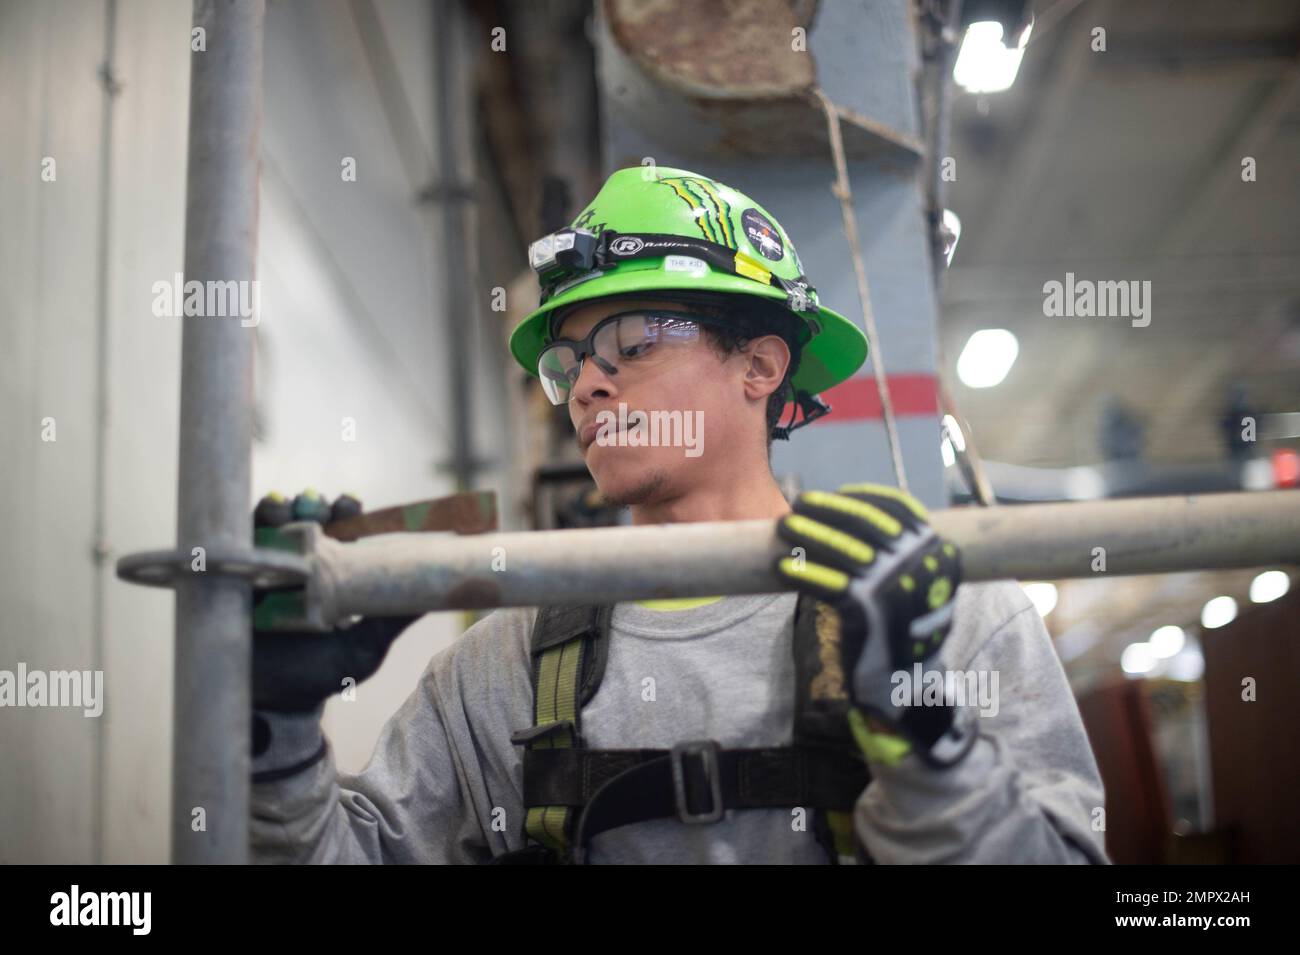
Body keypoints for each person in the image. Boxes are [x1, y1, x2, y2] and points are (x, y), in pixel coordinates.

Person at [250, 166, 1108, 864]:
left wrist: (926, 739)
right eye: (569, 362)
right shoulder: (496, 670)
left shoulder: (947, 617)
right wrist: (278, 732)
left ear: (761, 366)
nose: (587, 384)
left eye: (631, 343)